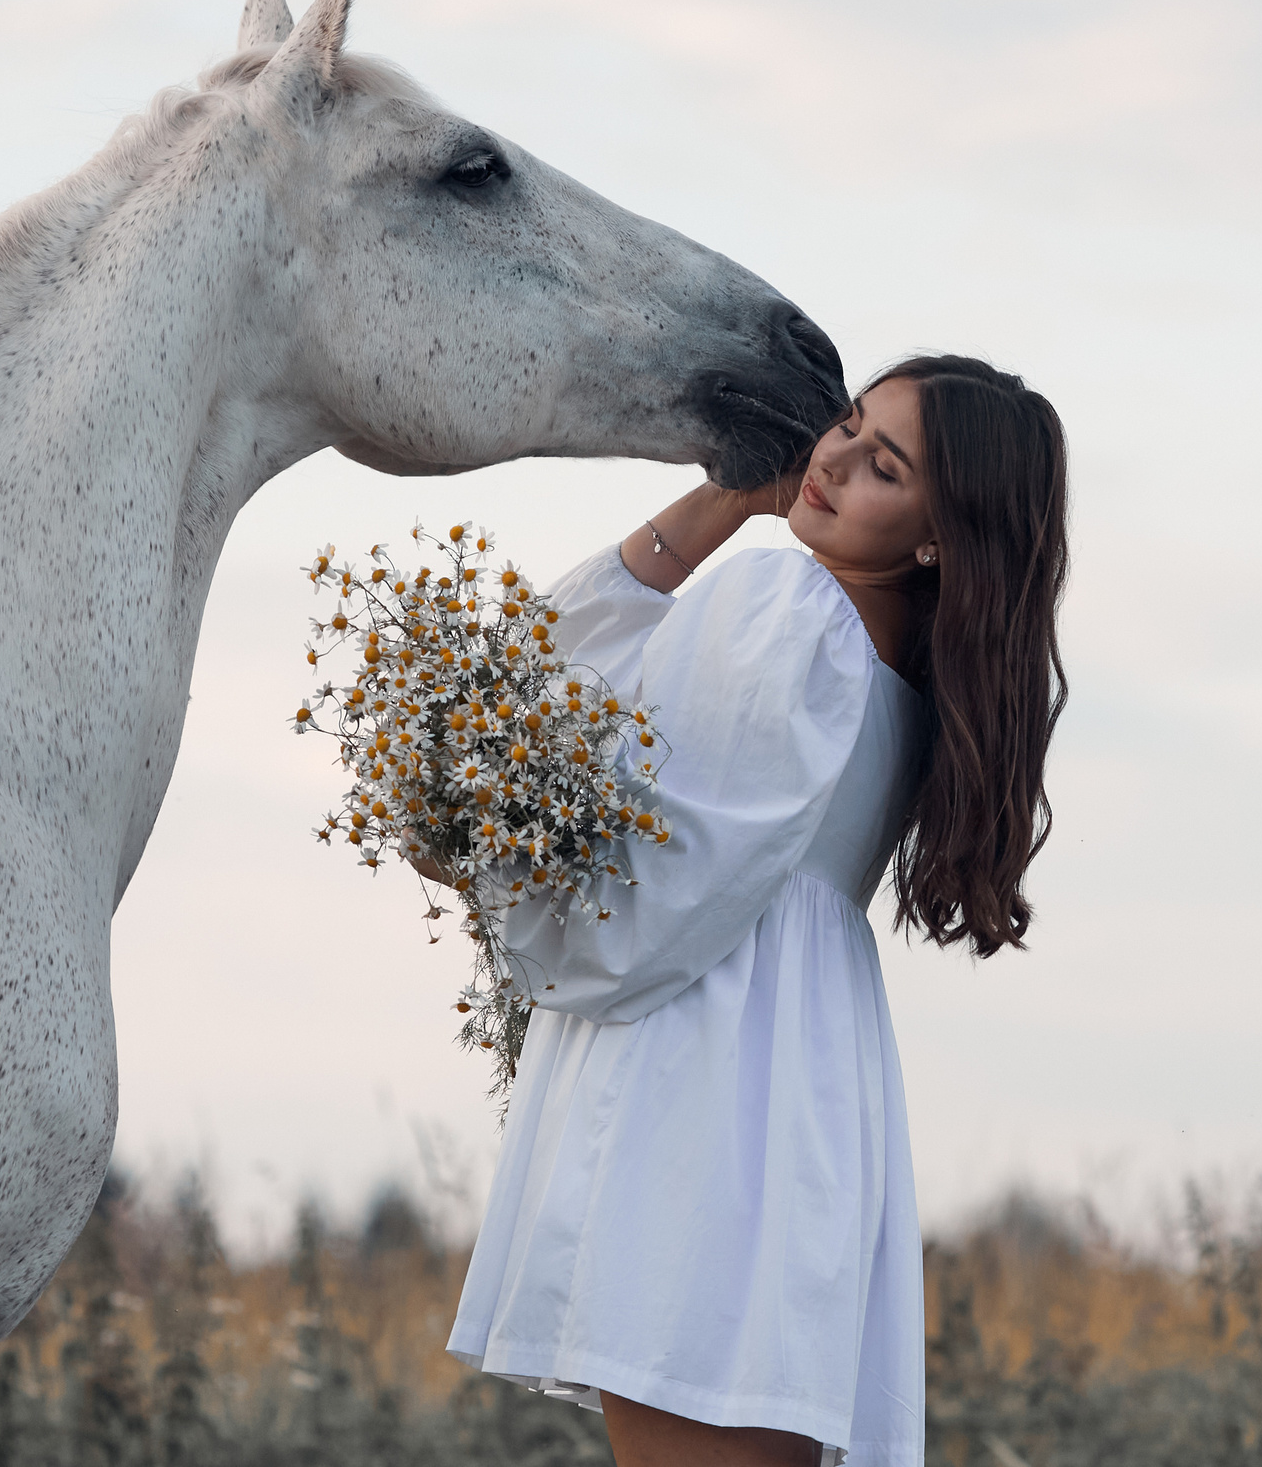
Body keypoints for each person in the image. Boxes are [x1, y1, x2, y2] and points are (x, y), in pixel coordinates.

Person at [443, 353, 1071, 1467]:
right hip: (802, 1090)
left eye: (883, 465)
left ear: (940, 538)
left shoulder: (789, 606)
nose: (831, 459)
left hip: (705, 1089)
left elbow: (559, 721)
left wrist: (486, 859)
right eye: (844, 424)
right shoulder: (905, 680)